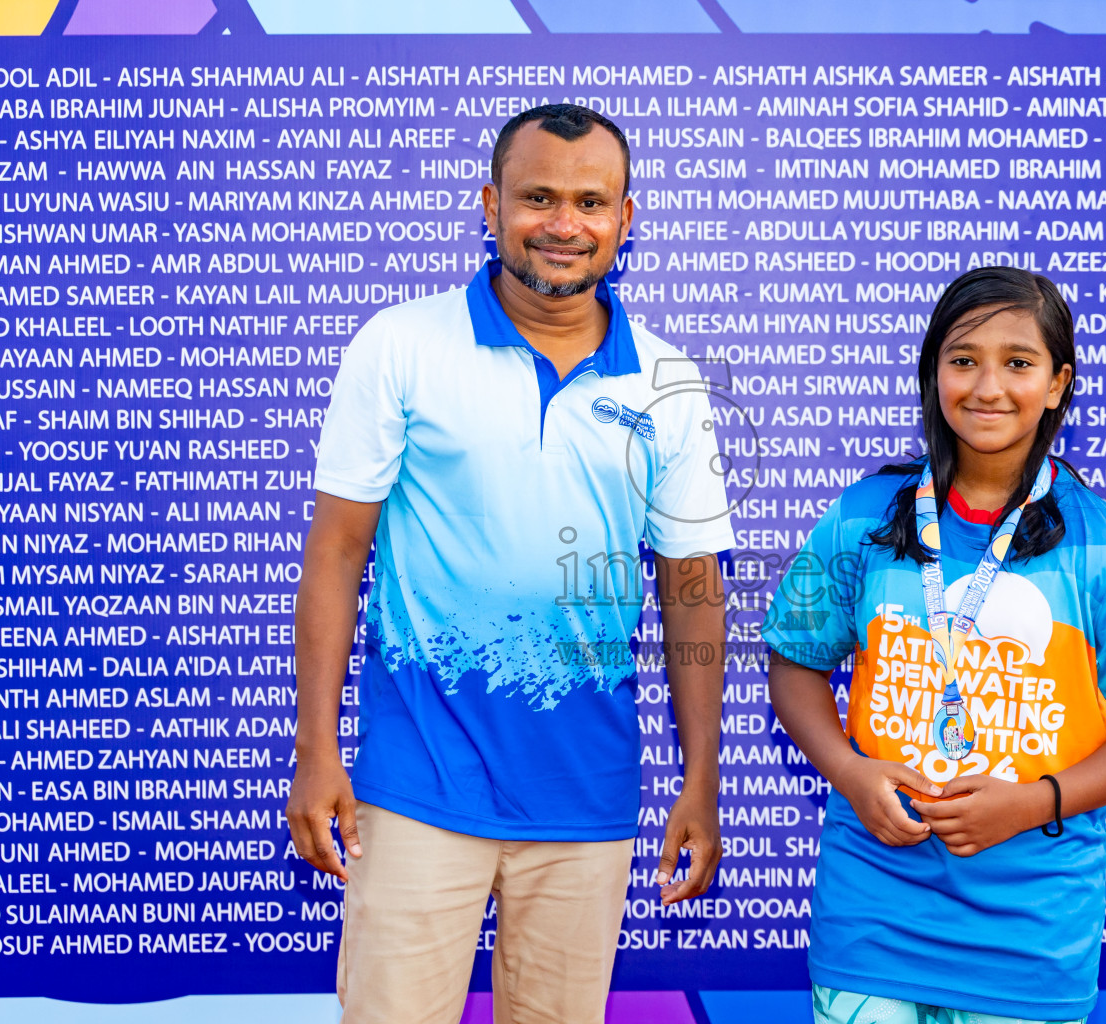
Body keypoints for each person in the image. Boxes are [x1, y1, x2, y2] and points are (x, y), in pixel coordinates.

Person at [286, 104, 734, 1024]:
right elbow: (336, 552)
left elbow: (691, 589)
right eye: (537, 197)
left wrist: (702, 777)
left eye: (589, 201)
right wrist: (316, 749)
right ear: (490, 206)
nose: (563, 224)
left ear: (625, 219)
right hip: (416, 791)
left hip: (588, 798)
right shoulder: (402, 344)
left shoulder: (667, 380)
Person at [761, 266, 1106, 1024]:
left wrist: (1034, 802)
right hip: (873, 916)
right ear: (933, 374)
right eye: (963, 359)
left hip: (1029, 935)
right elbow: (795, 663)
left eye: (1018, 363)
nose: (988, 385)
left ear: (1058, 383)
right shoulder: (862, 516)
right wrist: (853, 774)